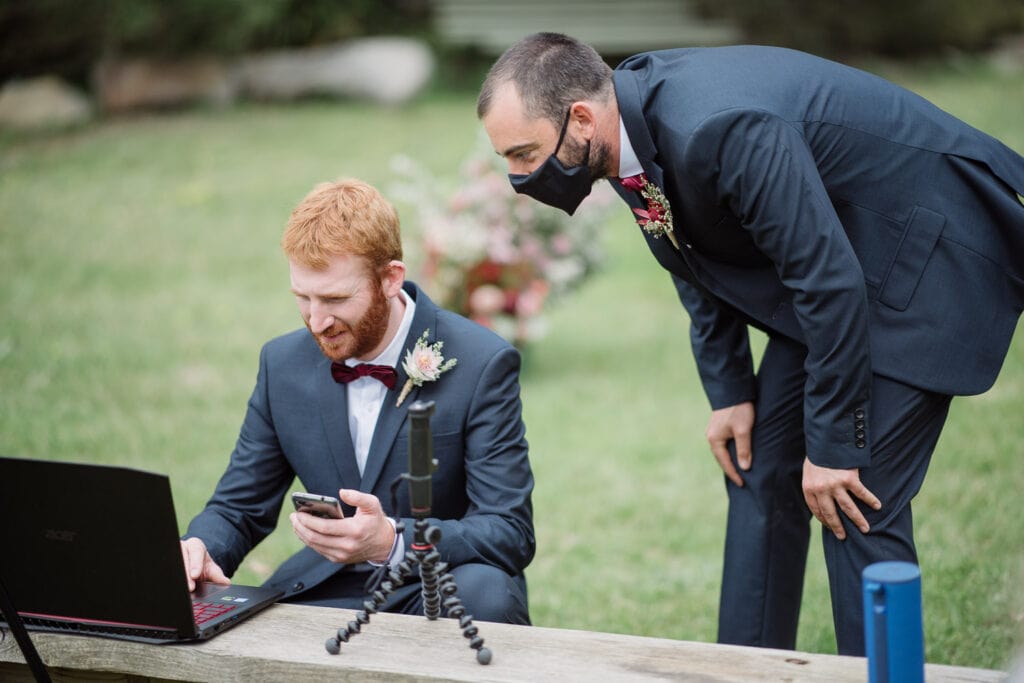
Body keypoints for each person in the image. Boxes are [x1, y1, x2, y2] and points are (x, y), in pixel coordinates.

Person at [477, 32, 1024, 653]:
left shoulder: (719, 126)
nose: (521, 177)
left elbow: (826, 280)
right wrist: (732, 391)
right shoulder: (627, 127)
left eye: (524, 154)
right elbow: (690, 250)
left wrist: (836, 442)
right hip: (842, 271)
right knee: (760, 466)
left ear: (579, 119)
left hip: (928, 255)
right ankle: (743, 668)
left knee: (853, 502)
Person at [180, 178, 535, 624]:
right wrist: (200, 549)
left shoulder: (482, 362)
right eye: (303, 298)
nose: (317, 320)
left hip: (443, 584)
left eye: (334, 298)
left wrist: (392, 540)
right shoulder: (282, 363)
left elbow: (509, 530)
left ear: (390, 278)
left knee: (488, 598)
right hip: (323, 587)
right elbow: (238, 507)